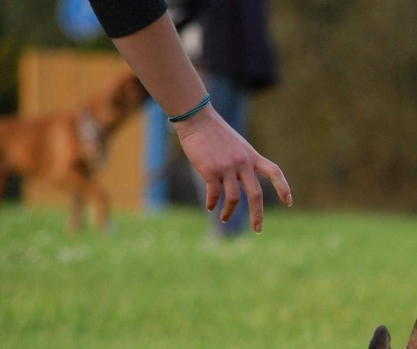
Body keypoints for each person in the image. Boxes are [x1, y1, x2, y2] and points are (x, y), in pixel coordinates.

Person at [88, 0, 291, 234]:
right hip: (243, 65)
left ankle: (226, 229)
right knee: (229, 143)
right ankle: (232, 228)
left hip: (213, 59)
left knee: (218, 148)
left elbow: (182, 7)